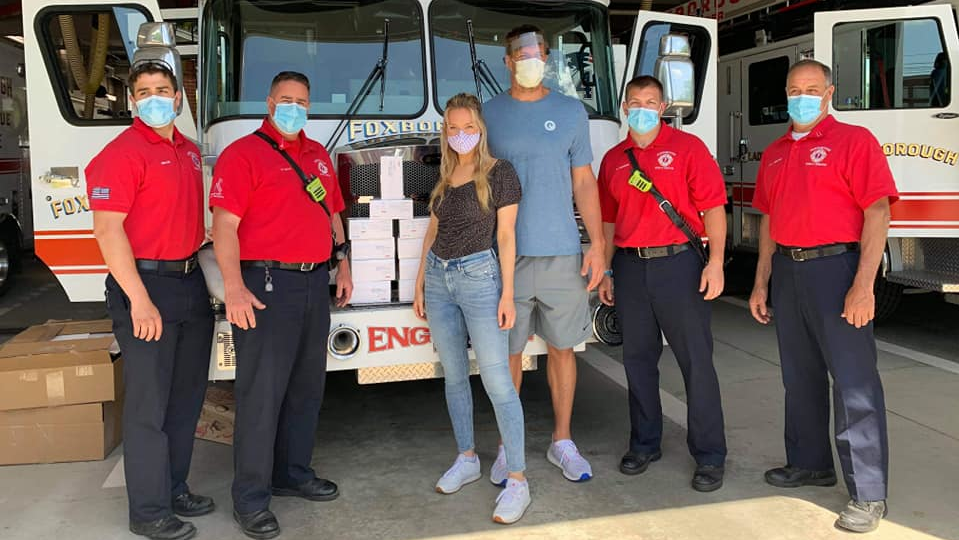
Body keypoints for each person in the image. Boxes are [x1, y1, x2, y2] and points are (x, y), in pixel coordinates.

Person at [748, 59, 898, 533]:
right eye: (794, 89)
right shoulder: (773, 152)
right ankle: (810, 463)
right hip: (789, 273)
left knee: (854, 383)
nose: (802, 97)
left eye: (812, 89)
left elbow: (877, 213)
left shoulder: (854, 142)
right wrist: (760, 280)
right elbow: (769, 222)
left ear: (830, 93)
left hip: (838, 269)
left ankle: (869, 493)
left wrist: (863, 284)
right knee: (801, 377)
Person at [210, 71, 353, 540]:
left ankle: (292, 472)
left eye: (302, 101)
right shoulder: (242, 155)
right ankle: (250, 498)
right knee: (261, 394)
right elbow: (225, 227)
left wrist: (343, 265)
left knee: (306, 388)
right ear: (269, 102)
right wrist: (233, 287)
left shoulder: (317, 156)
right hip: (265, 285)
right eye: (286, 100)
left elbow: (332, 212)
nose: (294, 107)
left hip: (315, 284)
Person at [87, 61, 213, 540]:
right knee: (148, 406)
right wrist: (139, 301)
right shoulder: (121, 154)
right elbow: (107, 229)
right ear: (132, 101)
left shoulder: (186, 150)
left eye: (164, 89)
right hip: (144, 287)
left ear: (179, 98)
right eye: (145, 91)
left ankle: (175, 488)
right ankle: (149, 511)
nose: (156, 97)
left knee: (185, 400)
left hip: (188, 282)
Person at [483, 24, 606, 484]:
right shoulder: (488, 115)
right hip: (505, 257)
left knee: (562, 349)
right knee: (507, 356)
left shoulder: (571, 112)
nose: (531, 59)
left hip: (561, 254)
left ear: (547, 57)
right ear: (508, 60)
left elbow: (583, 182)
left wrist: (597, 244)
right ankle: (507, 447)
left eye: (538, 51)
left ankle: (562, 441)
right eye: (522, 52)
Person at [597, 75, 728, 492]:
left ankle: (709, 455)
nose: (641, 108)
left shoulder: (688, 149)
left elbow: (714, 209)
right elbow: (607, 218)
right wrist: (605, 268)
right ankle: (644, 443)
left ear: (663, 105)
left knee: (696, 362)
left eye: (650, 102)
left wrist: (717, 263)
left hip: (680, 265)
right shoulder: (614, 159)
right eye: (634, 101)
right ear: (623, 107)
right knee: (637, 360)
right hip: (631, 267)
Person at [412, 93, 529, 524]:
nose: (461, 135)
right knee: (454, 376)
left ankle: (517, 479)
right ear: (446, 132)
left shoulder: (501, 173)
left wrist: (507, 294)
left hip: (481, 278)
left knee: (498, 382)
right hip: (440, 278)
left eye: (468, 126)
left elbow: (507, 236)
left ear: (481, 128)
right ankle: (467, 458)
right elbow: (433, 231)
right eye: (453, 127)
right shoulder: (446, 174)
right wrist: (421, 282)